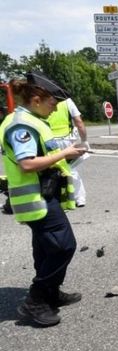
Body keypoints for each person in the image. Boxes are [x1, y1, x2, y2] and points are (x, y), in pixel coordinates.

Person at [0, 71, 87, 326]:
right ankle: (35, 301)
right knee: (63, 246)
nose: (55, 108)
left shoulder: (31, 119)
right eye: (52, 103)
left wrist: (66, 155)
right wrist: (66, 152)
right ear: (36, 99)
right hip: (35, 198)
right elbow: (27, 163)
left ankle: (50, 293)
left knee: (46, 246)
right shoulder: (22, 125)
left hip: (43, 195)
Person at [46, 97, 89, 207]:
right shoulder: (67, 101)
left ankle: (53, 195)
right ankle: (79, 198)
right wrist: (84, 141)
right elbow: (79, 122)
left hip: (49, 140)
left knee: (51, 169)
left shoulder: (43, 100)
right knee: (71, 168)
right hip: (67, 140)